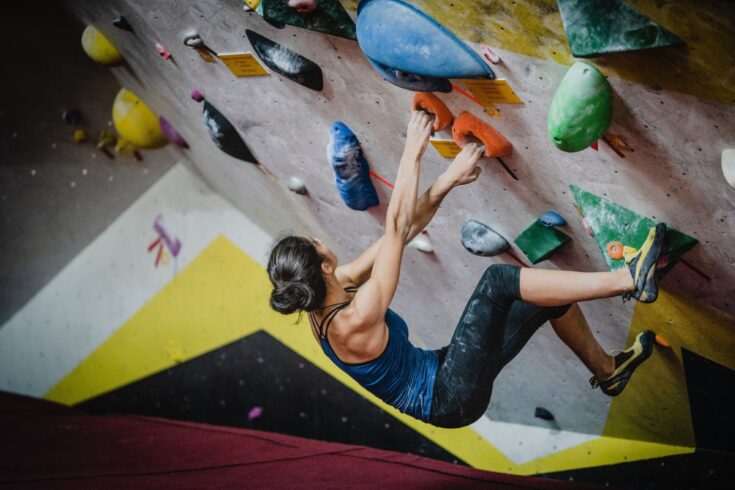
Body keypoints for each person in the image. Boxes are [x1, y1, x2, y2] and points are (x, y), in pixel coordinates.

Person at [267, 111, 663, 428]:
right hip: (449, 398)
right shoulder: (353, 320)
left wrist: (447, 182)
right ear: (322, 264)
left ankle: (609, 371)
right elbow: (396, 226)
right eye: (313, 242)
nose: (319, 239)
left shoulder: (335, 286)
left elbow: (401, 235)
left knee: (545, 298)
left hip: (445, 371)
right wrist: (413, 149)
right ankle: (629, 278)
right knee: (499, 282)